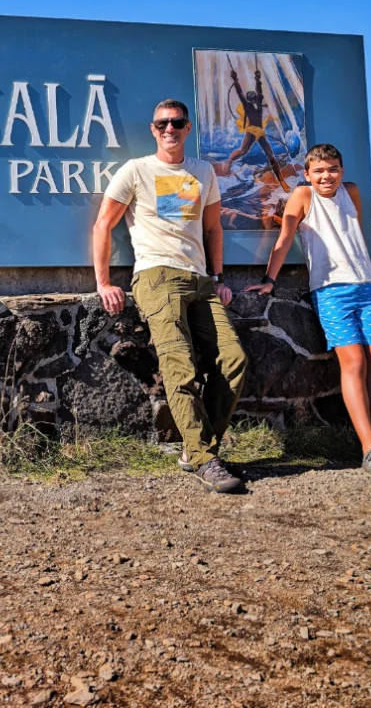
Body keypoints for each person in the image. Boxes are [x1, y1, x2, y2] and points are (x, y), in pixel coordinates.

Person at [93, 99, 249, 493]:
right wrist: (104, 281)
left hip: (200, 280)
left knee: (233, 360)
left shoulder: (203, 171)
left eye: (177, 123)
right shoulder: (136, 170)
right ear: (153, 128)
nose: (170, 129)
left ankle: (197, 448)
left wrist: (217, 276)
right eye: (163, 123)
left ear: (188, 127)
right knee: (180, 367)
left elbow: (214, 230)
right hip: (156, 276)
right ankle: (202, 457)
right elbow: (103, 224)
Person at [243, 143, 371, 478]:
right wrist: (268, 280)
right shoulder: (303, 196)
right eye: (319, 171)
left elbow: (356, 238)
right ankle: (370, 451)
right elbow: (284, 238)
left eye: (333, 169)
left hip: (365, 288)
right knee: (352, 362)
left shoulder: (351, 192)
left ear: (342, 170)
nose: (327, 176)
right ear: (307, 174)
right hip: (331, 291)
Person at [219, 64, 291, 193]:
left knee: (271, 156)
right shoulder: (247, 106)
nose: (253, 99)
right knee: (242, 151)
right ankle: (229, 161)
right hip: (251, 131)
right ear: (248, 99)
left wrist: (257, 79)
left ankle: (281, 181)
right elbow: (240, 92)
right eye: (251, 98)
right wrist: (235, 80)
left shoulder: (258, 103)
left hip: (260, 132)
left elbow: (259, 91)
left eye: (254, 98)